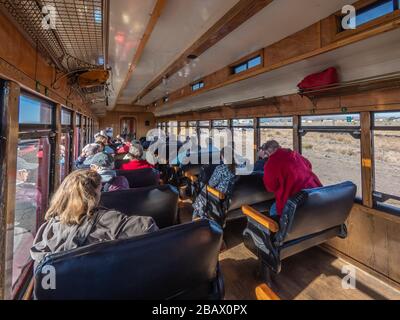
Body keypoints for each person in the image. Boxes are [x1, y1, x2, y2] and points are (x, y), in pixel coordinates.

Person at [30, 170, 158, 264]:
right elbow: (148, 227)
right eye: (100, 191)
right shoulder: (105, 220)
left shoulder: (46, 229)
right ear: (93, 196)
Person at [263, 140, 322, 217]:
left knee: (273, 211)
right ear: (279, 147)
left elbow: (271, 187)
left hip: (295, 201)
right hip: (315, 194)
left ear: (267, 152)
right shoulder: (295, 154)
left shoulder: (271, 163)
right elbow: (309, 165)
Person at [192, 147, 236, 220]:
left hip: (219, 196)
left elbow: (211, 184)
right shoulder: (238, 168)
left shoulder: (220, 169)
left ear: (222, 157)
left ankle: (197, 216)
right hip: (232, 196)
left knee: (203, 191)